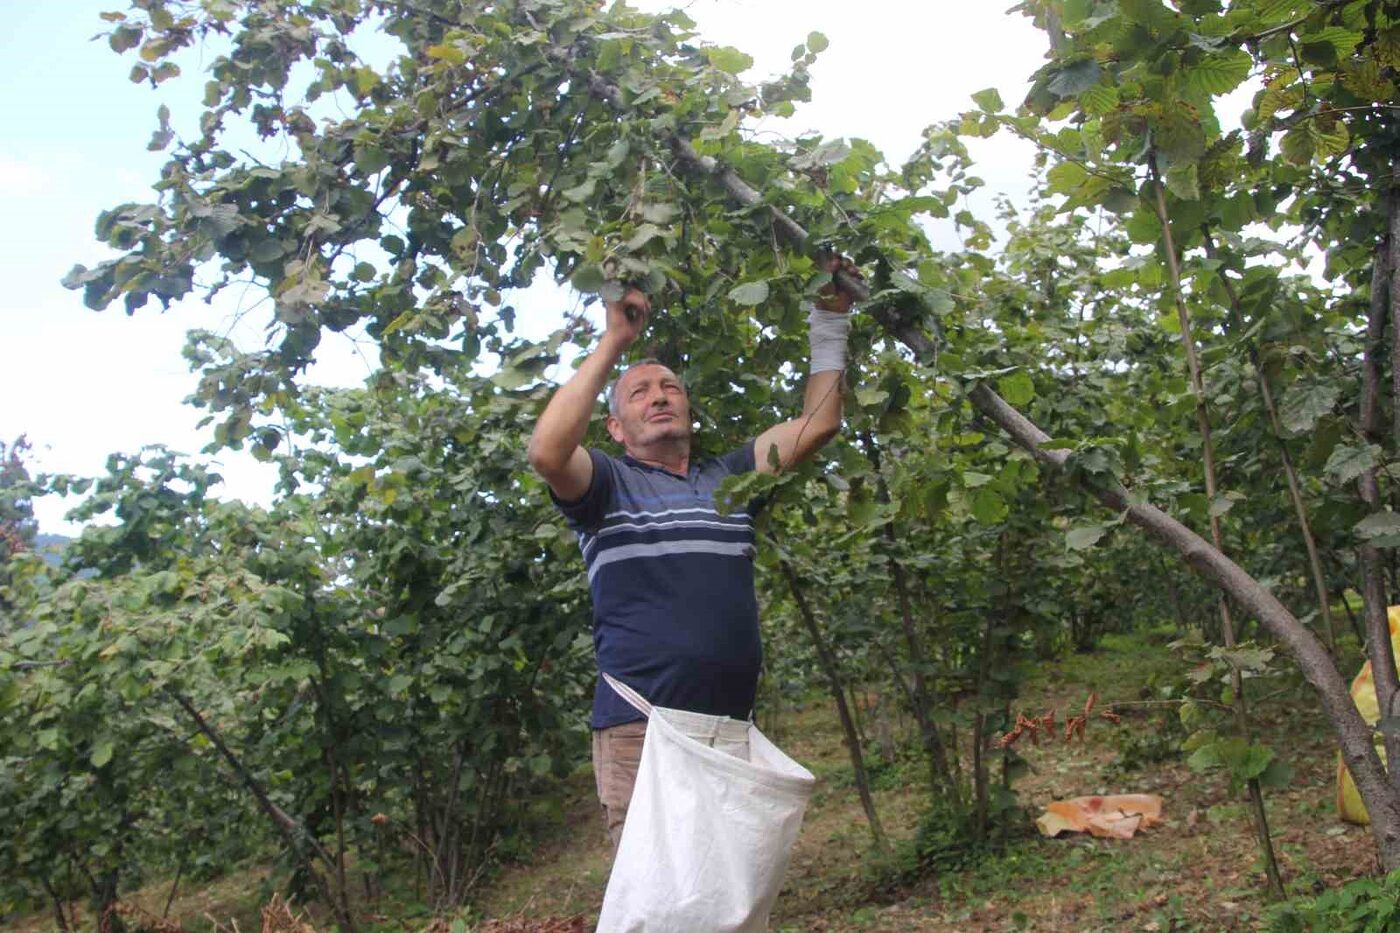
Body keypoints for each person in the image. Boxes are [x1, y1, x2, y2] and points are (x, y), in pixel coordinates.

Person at [526, 255, 860, 848]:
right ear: (617, 428)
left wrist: (830, 321)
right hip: (643, 734)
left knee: (725, 902)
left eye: (671, 388)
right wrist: (614, 342)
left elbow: (818, 423)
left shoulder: (730, 480)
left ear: (687, 411)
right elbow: (548, 451)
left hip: (730, 733)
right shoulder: (605, 486)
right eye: (639, 393)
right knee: (660, 906)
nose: (659, 397)